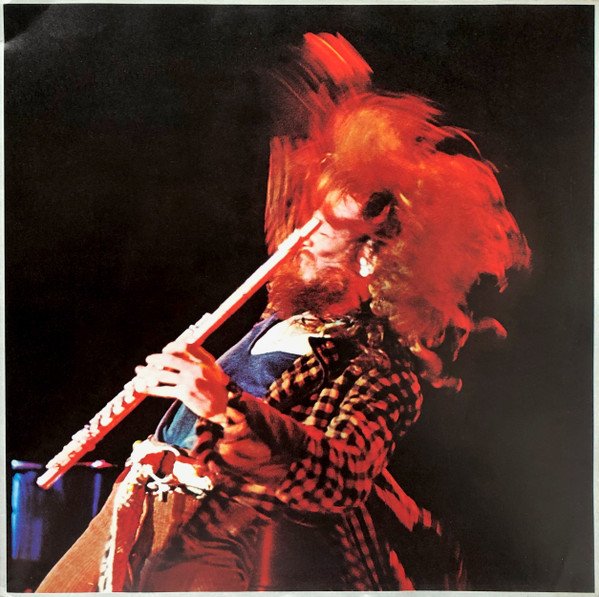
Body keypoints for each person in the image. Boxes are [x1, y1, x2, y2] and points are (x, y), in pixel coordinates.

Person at [36, 33, 530, 592]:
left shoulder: (381, 370)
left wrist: (224, 405)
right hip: (141, 517)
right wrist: (316, 109)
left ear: (370, 258)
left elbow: (338, 478)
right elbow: (292, 193)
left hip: (225, 553)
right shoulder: (278, 319)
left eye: (322, 227)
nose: (300, 237)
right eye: (303, 218)